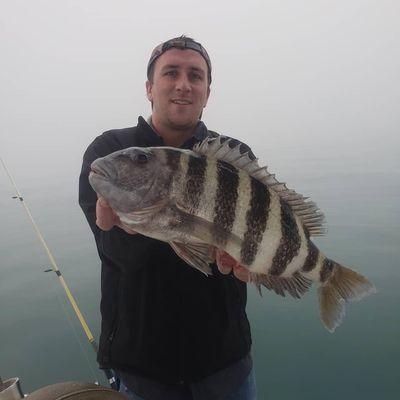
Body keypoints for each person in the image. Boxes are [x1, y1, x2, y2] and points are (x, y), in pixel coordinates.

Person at [79, 36, 257, 400]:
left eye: (196, 76)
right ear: (149, 88)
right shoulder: (110, 154)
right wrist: (132, 224)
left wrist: (251, 261)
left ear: (207, 92)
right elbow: (117, 255)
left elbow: (253, 243)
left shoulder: (233, 157)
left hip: (226, 365)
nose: (183, 84)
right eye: (170, 73)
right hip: (144, 370)